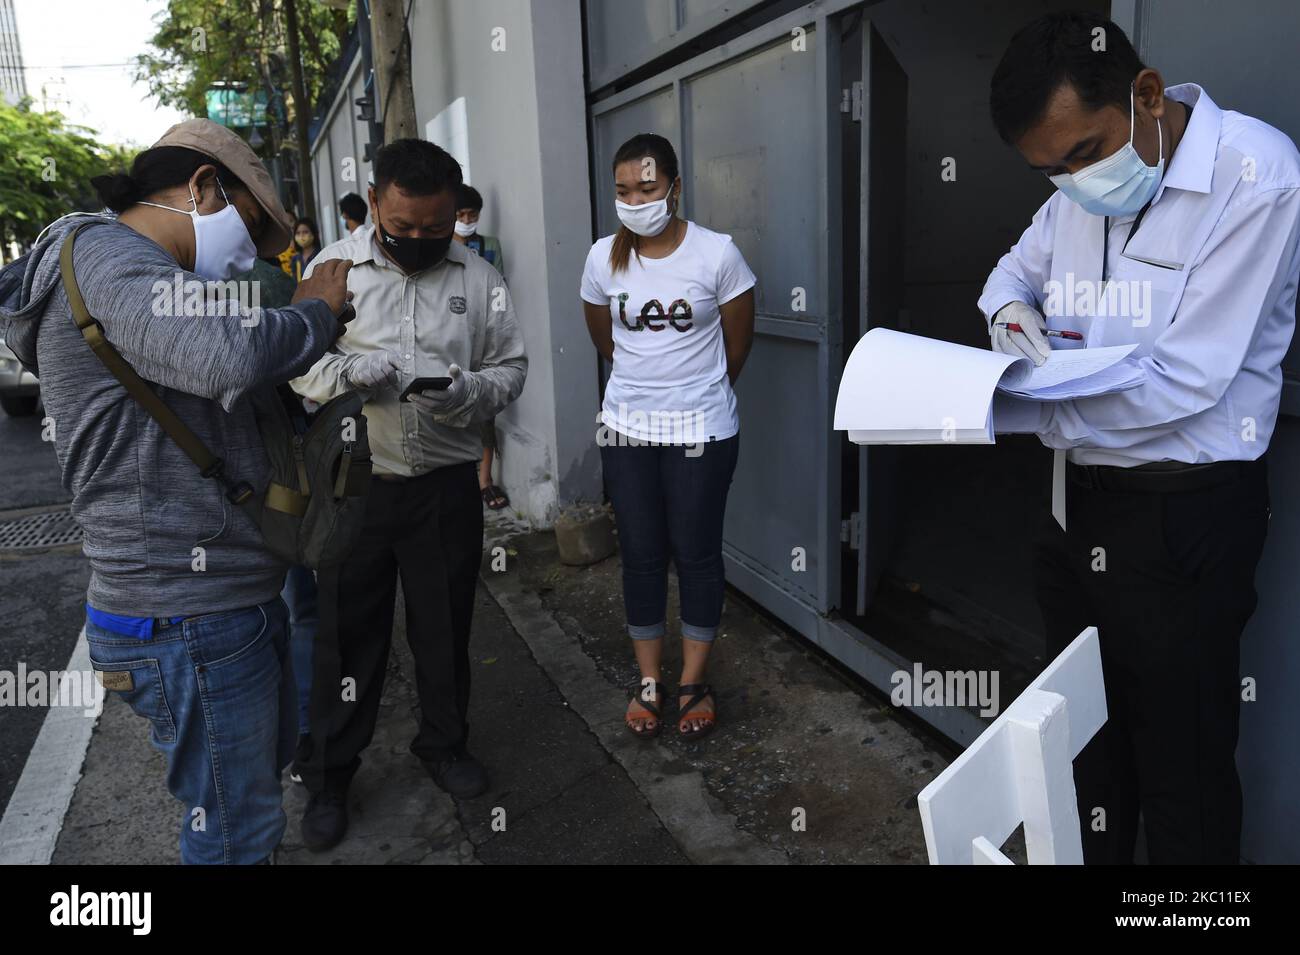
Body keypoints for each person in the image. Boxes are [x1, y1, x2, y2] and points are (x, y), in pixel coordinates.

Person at [984, 11, 1300, 864]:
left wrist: (1016, 407)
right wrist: (1012, 317)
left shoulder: (1256, 177)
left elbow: (1188, 380)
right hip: (1074, 508)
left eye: (1083, 154)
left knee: (1183, 776)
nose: (1072, 183)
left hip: (1180, 521)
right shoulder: (1071, 189)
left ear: (1147, 94)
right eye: (1048, 171)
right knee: (1087, 751)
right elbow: (1014, 270)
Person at [0, 118, 354, 864]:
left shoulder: (149, 276)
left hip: (213, 604)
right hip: (187, 614)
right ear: (201, 188)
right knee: (235, 833)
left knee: (242, 813)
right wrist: (316, 311)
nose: (246, 257)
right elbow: (221, 357)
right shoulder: (106, 256)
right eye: (248, 228)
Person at [290, 138, 527, 851]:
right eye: (403, 225)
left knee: (444, 625)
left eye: (434, 226)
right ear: (377, 200)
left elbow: (511, 367)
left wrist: (468, 392)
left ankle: (445, 744)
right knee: (345, 639)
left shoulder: (479, 278)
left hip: (445, 490)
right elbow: (297, 368)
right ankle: (331, 774)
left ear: (455, 210)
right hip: (353, 488)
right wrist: (349, 376)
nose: (419, 239)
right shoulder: (331, 270)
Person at [580, 133, 756, 740]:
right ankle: (650, 679)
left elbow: (736, 346)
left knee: (698, 552)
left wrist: (692, 394)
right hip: (627, 427)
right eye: (624, 190)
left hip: (702, 430)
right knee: (642, 554)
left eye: (648, 188)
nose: (635, 200)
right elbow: (606, 338)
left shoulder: (718, 254)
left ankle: (694, 680)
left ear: (675, 187)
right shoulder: (603, 257)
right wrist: (646, 387)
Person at [453, 184, 509, 509]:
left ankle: (485, 479)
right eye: (460, 215)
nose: (466, 220)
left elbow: (499, 290)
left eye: (471, 215)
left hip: (483, 340)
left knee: (484, 407)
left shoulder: (489, 246)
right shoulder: (440, 249)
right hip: (449, 342)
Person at [289, 216, 320, 281]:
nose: (301, 236)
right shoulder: (295, 259)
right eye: (298, 233)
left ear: (313, 234)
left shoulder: (321, 255)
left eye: (305, 232)